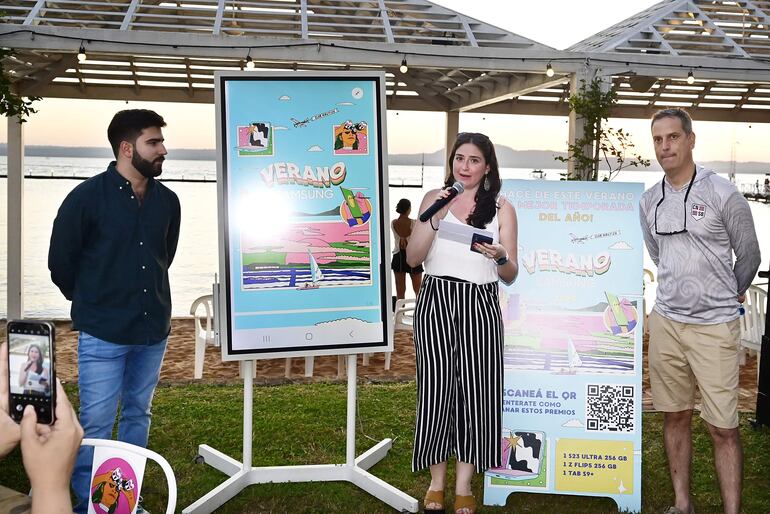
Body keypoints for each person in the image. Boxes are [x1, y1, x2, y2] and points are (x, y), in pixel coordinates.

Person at [48, 109, 181, 513]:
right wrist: (94, 302)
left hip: (152, 330)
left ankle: (122, 502)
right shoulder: (85, 199)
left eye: (160, 142)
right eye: (153, 143)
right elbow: (61, 265)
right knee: (98, 423)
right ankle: (93, 503)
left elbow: (164, 257)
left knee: (139, 414)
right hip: (103, 333)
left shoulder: (168, 202)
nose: (163, 150)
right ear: (127, 148)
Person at [639, 108, 761, 514]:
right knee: (674, 416)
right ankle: (682, 505)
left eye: (673, 137)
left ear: (691, 140)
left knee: (722, 427)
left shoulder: (723, 193)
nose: (665, 146)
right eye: (658, 140)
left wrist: (729, 293)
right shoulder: (649, 201)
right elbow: (659, 255)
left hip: (714, 327)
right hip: (668, 323)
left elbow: (749, 255)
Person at [406, 132, 518, 514]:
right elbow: (412, 259)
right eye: (459, 158)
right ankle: (436, 482)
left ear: (487, 167)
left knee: (476, 392)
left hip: (480, 302)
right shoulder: (432, 200)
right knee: (436, 390)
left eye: (473, 160)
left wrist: (501, 256)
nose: (464, 166)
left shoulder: (502, 208)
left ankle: (464, 484)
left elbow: (511, 273)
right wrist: (434, 219)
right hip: (436, 298)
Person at [1, 342, 84, 514]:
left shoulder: (44, 369)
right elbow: (21, 382)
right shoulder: (24, 365)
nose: (33, 353)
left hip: (39, 399)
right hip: (25, 395)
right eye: (30, 350)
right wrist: (51, 487)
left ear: (38, 354)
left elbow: (46, 385)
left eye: (35, 351)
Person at [390, 198, 423, 302]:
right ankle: (419, 314)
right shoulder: (414, 223)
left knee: (400, 291)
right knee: (418, 291)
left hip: (398, 256)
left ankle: (400, 315)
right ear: (408, 209)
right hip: (413, 256)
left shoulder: (394, 223)